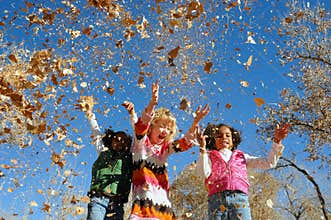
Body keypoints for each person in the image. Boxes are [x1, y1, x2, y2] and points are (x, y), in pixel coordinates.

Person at [129, 81, 210, 219]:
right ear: (152, 126)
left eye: (169, 128)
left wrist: (195, 122)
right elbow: (141, 125)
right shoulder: (140, 143)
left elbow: (184, 143)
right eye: (162, 126)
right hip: (144, 207)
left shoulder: (165, 149)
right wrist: (152, 104)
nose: (165, 131)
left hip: (163, 208)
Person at [196, 122, 290, 220]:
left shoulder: (242, 157)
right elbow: (204, 174)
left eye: (228, 135)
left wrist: (277, 142)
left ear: (233, 139)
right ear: (213, 141)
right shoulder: (209, 156)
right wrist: (202, 149)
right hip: (216, 199)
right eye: (219, 136)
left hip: (240, 199)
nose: (224, 137)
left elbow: (268, 162)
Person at [82, 97, 137, 220]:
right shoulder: (103, 150)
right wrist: (89, 114)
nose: (120, 142)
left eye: (124, 141)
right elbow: (96, 132)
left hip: (117, 204)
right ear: (110, 141)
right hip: (99, 199)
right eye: (116, 139)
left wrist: (132, 114)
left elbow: (138, 135)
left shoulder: (130, 157)